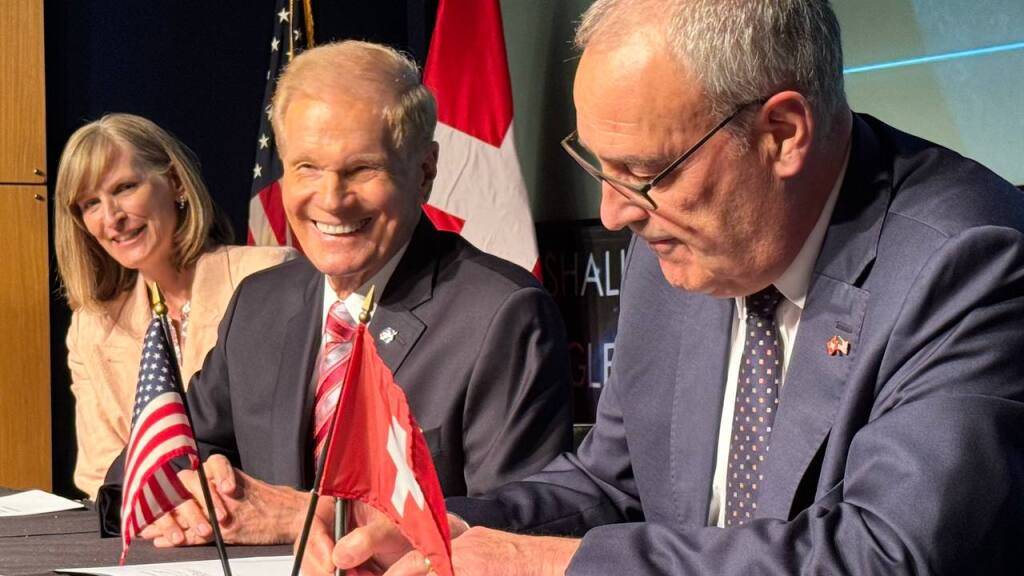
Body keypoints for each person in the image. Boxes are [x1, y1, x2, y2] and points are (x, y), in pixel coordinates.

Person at [306, 1, 1024, 574]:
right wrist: (440, 527)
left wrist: (547, 566)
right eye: (601, 167)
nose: (616, 213)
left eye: (645, 173)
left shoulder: (969, 261)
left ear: (783, 132)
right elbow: (611, 486)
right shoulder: (679, 246)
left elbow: (883, 554)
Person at [135, 40, 572, 547]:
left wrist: (312, 517)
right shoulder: (258, 303)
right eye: (307, 168)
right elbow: (161, 459)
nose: (331, 200)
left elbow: (516, 524)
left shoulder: (501, 316)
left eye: (362, 169)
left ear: (425, 171)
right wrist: (196, 493)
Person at [54, 113, 296, 502]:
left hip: (261, 524)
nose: (111, 218)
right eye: (90, 204)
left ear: (176, 183)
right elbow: (101, 475)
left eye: (125, 187)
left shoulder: (268, 277)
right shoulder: (91, 327)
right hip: (157, 534)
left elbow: (292, 445)